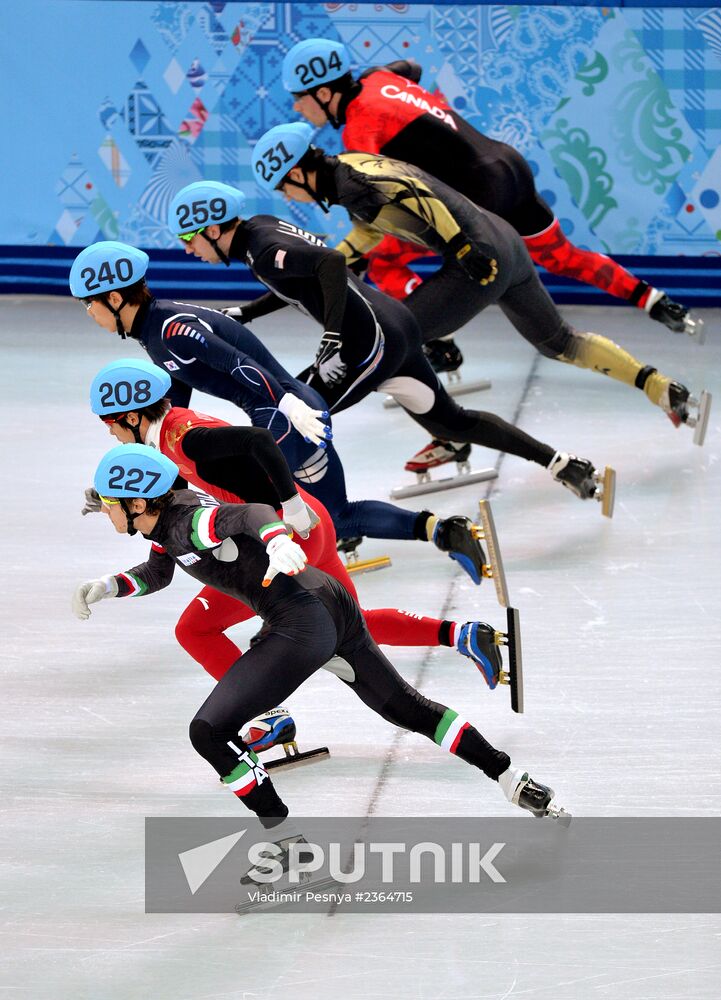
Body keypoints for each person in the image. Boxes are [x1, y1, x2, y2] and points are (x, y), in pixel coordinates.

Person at [72, 443, 571, 826]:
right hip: (329, 600)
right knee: (407, 708)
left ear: (139, 502)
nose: (104, 511)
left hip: (299, 619)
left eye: (110, 504)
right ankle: (513, 779)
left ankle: (285, 844)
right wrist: (109, 586)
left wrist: (275, 538)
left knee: (208, 732)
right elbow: (160, 571)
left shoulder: (190, 523)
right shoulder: (164, 518)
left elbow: (250, 514)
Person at [251, 122, 710, 470]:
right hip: (505, 242)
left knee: (390, 343)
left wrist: (462, 246)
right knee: (559, 342)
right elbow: (374, 226)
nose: (290, 196)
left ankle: (451, 435)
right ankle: (659, 386)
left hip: (478, 258)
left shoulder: (351, 182)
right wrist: (336, 256)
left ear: (297, 172)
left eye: (284, 186)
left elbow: (416, 193)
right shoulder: (350, 167)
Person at [68, 240, 503, 587]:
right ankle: (446, 530)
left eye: (89, 305)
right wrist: (125, 483)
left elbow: (239, 364)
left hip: (283, 416)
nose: (89, 316)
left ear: (113, 296)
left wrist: (287, 401)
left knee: (248, 503)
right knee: (336, 514)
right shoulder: (155, 334)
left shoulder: (169, 328)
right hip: (290, 411)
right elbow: (170, 413)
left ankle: (280, 599)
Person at [168, 179, 611, 508]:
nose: (188, 251)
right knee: (452, 423)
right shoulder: (260, 233)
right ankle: (560, 462)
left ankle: (335, 526)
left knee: (287, 421)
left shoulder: (262, 248)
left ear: (211, 228)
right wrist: (247, 313)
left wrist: (334, 333)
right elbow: (297, 282)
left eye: (189, 240)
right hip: (393, 326)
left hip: (367, 343)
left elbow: (332, 263)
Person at [84, 357, 507, 689]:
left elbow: (259, 439)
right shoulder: (168, 437)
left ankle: (267, 718)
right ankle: (464, 634)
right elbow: (172, 482)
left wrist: (288, 503)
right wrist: (109, 494)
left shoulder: (186, 437)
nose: (110, 434)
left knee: (196, 629)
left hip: (285, 535)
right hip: (308, 524)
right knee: (352, 623)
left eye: (111, 424)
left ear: (134, 417)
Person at [281, 37, 700, 339]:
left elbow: (371, 207)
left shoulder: (360, 129)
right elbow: (411, 68)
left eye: (299, 99)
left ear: (322, 92)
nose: (297, 108)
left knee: (385, 261)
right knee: (563, 257)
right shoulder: (377, 77)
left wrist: (350, 256)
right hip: (509, 166)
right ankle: (656, 300)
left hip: (480, 193)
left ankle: (434, 345)